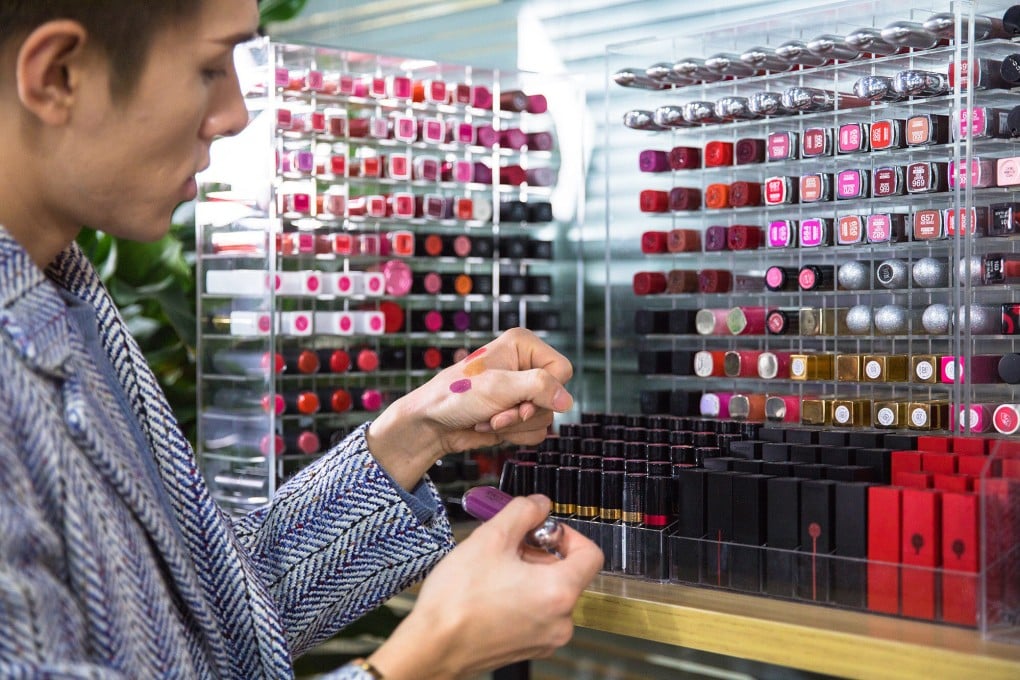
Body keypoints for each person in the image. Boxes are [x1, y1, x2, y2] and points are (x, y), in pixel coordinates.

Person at [0, 1, 604, 678]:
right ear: (57, 75)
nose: (236, 112)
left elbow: (209, 620)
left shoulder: (65, 294)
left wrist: (416, 431)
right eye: (208, 67)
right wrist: (430, 654)